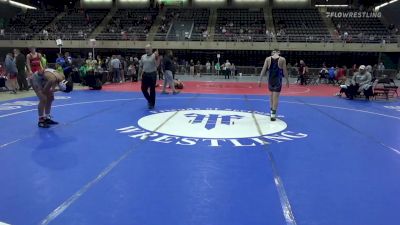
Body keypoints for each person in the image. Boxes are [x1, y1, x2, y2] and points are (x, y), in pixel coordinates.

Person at [258, 49, 289, 121]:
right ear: (279, 53)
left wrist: (260, 80)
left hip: (270, 80)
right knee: (276, 98)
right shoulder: (282, 59)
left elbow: (263, 69)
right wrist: (287, 80)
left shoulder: (268, 59)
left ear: (273, 53)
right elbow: (285, 71)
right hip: (278, 80)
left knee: (271, 96)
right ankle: (273, 114)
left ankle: (271, 111)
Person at [139, 44, 159, 109]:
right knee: (143, 89)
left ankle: (152, 104)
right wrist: (140, 75)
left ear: (151, 49)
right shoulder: (143, 57)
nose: (147, 50)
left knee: (152, 89)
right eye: (146, 49)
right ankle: (150, 100)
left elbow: (157, 65)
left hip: (152, 74)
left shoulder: (154, 56)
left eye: (148, 49)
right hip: (145, 74)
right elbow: (141, 66)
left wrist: (157, 57)